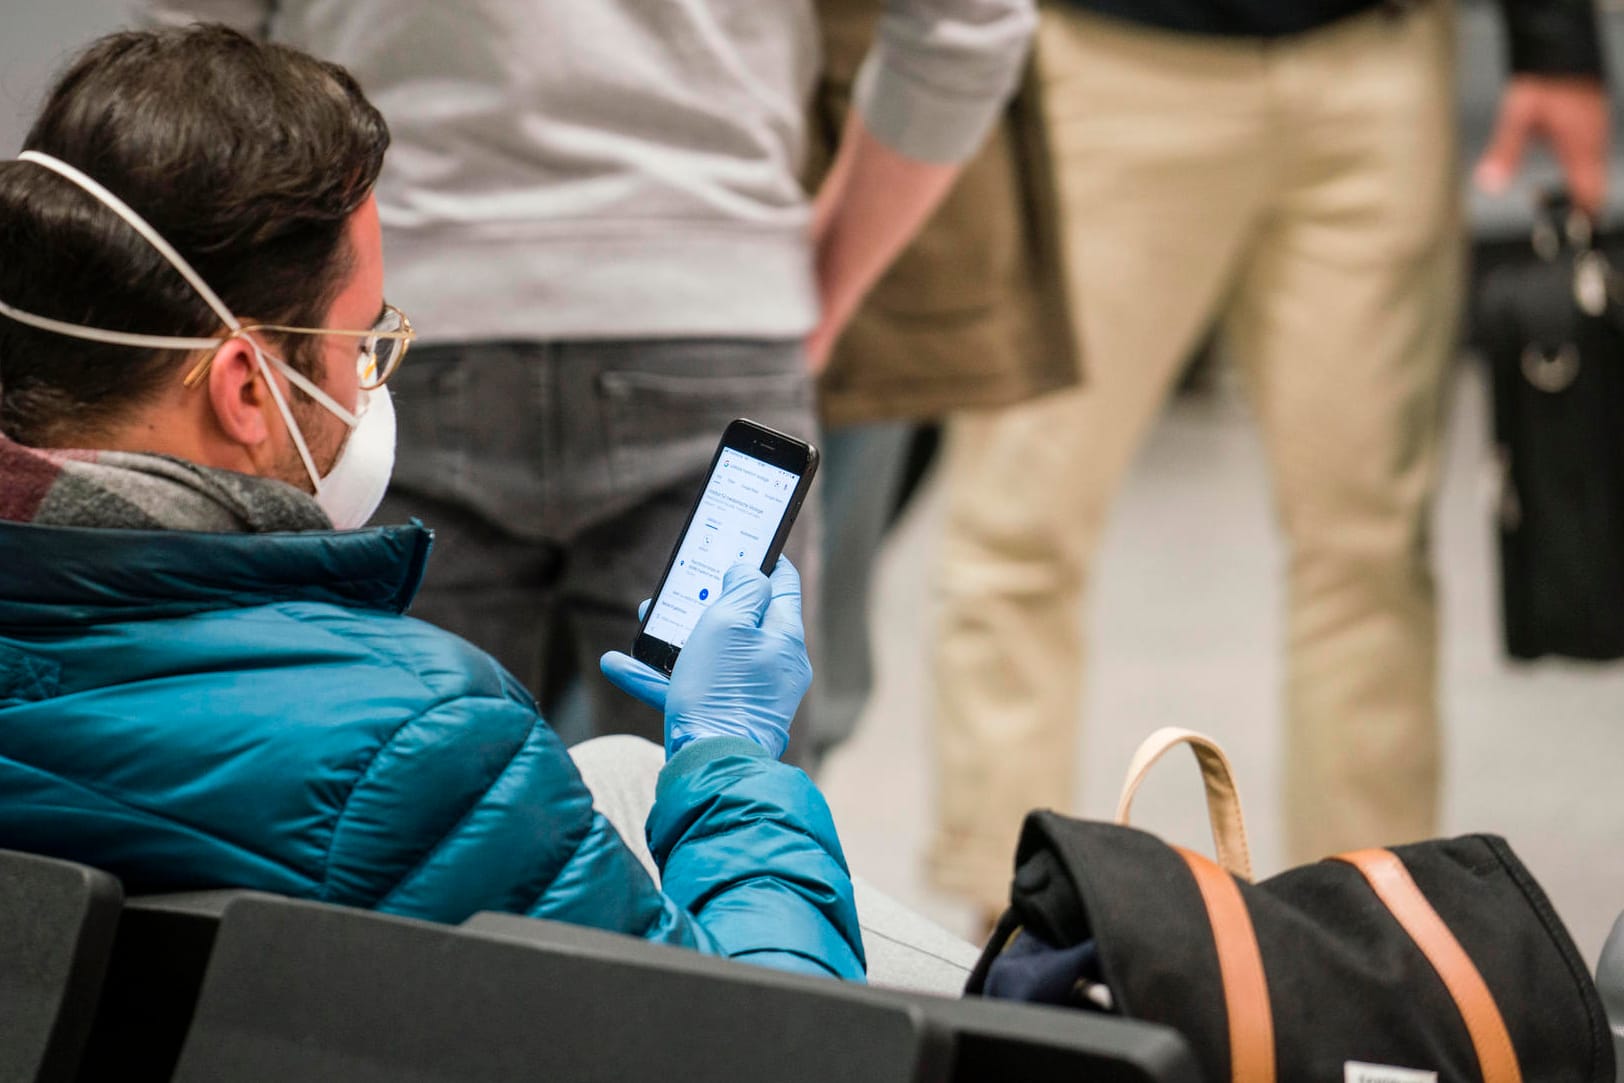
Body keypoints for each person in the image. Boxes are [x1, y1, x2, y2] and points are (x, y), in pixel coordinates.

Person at [0, 26, 878, 981]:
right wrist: (734, 761)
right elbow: (778, 1041)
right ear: (245, 390)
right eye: (361, 342)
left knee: (619, 776)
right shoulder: (419, 742)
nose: (370, 381)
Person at [139, 0, 1037, 763]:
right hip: (711, 318)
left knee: (386, 839)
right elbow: (970, 25)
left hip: (383, 338)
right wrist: (823, 280)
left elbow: (191, 55)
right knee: (718, 821)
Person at [928, 0, 1611, 921]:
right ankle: (1013, 946)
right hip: (1102, 62)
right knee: (1018, 533)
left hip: (1372, 61)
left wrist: (1554, 41)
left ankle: (1371, 954)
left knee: (1370, 553)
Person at [804, 0, 1081, 752]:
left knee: (790, 657)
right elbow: (969, 28)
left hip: (828, 231)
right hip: (785, 211)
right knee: (765, 672)